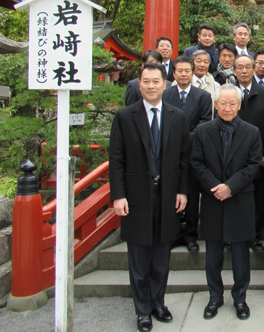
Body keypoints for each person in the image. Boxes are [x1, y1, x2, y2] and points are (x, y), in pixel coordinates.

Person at [110, 62, 190, 332]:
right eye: (146, 81)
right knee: (139, 258)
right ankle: (142, 309)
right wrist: (118, 195)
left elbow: (183, 158)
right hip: (136, 197)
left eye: (157, 81)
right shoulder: (124, 116)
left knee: (161, 257)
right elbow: (116, 159)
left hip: (168, 196)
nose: (152, 86)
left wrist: (182, 190)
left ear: (165, 85)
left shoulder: (177, 116)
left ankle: (158, 302)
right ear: (139, 84)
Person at [191, 84, 262, 321]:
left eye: (233, 103)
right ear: (215, 104)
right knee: (212, 256)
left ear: (240, 105)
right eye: (224, 103)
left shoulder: (252, 131)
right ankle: (215, 297)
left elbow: (253, 165)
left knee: (241, 256)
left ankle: (240, 298)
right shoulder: (203, 131)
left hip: (240, 199)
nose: (228, 108)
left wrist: (230, 187)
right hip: (213, 200)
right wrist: (216, 188)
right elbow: (197, 163)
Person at [163, 55, 212, 253]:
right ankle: (173, 233)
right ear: (173, 73)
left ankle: (191, 234)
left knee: (191, 193)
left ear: (192, 73)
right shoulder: (166, 95)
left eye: (187, 71)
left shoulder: (203, 96)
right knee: (171, 192)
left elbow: (204, 123)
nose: (184, 74)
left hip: (193, 152)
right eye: (180, 71)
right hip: (169, 153)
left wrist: (184, 138)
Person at [234, 54, 264, 253]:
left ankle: (255, 237)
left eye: (247, 67)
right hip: (232, 159)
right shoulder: (229, 94)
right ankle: (233, 239)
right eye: (240, 67)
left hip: (258, 158)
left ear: (253, 70)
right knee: (234, 199)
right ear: (234, 71)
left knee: (257, 200)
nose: (244, 71)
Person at [191, 49, 220, 115]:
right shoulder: (182, 83)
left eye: (205, 62)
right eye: (198, 61)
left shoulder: (216, 86)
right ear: (192, 63)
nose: (202, 65)